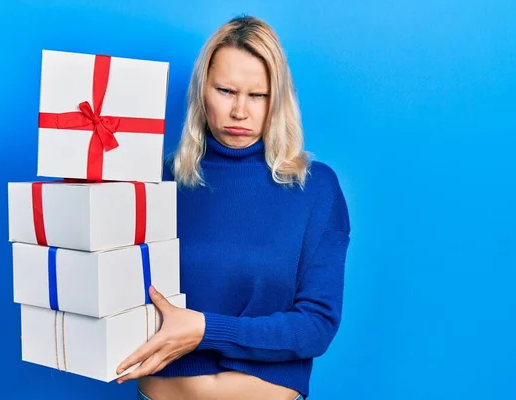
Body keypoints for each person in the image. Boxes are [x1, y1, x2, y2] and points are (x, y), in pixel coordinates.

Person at [116, 15, 351, 400]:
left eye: (257, 95)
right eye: (225, 90)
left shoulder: (315, 188)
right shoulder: (158, 183)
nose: (240, 111)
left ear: (278, 99)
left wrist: (207, 330)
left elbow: (316, 326)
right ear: (202, 91)